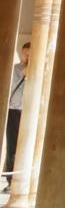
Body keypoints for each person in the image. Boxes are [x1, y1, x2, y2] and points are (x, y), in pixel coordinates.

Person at [5, 41, 28, 177]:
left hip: (29, 112)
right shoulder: (14, 69)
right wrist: (24, 73)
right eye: (25, 54)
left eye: (31, 54)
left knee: (26, 145)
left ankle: (23, 177)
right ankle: (10, 178)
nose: (28, 57)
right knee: (12, 146)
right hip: (14, 110)